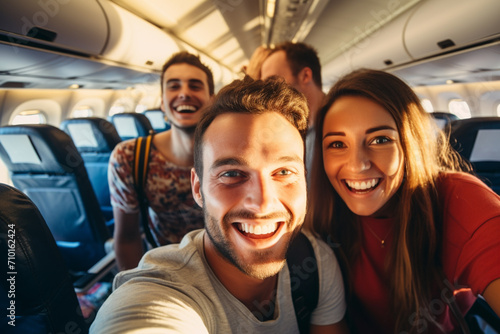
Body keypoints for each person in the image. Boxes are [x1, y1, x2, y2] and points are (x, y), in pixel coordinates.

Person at [91, 77, 348, 333]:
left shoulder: (317, 262)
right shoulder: (163, 293)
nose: (262, 204)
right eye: (231, 174)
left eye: (283, 172)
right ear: (197, 188)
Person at [305, 68, 500, 333]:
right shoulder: (315, 208)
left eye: (380, 139)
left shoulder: (458, 200)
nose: (358, 165)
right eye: (337, 144)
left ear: (410, 144)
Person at [108, 51, 214, 270]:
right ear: (163, 103)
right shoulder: (129, 157)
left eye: (195, 86)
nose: (184, 93)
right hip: (163, 269)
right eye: (174, 86)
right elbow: (127, 238)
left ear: (212, 101)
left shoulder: (232, 155)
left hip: (223, 268)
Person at [260, 41, 325, 175]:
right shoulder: (287, 128)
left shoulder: (341, 125)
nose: (266, 91)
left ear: (305, 76)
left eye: (272, 82)